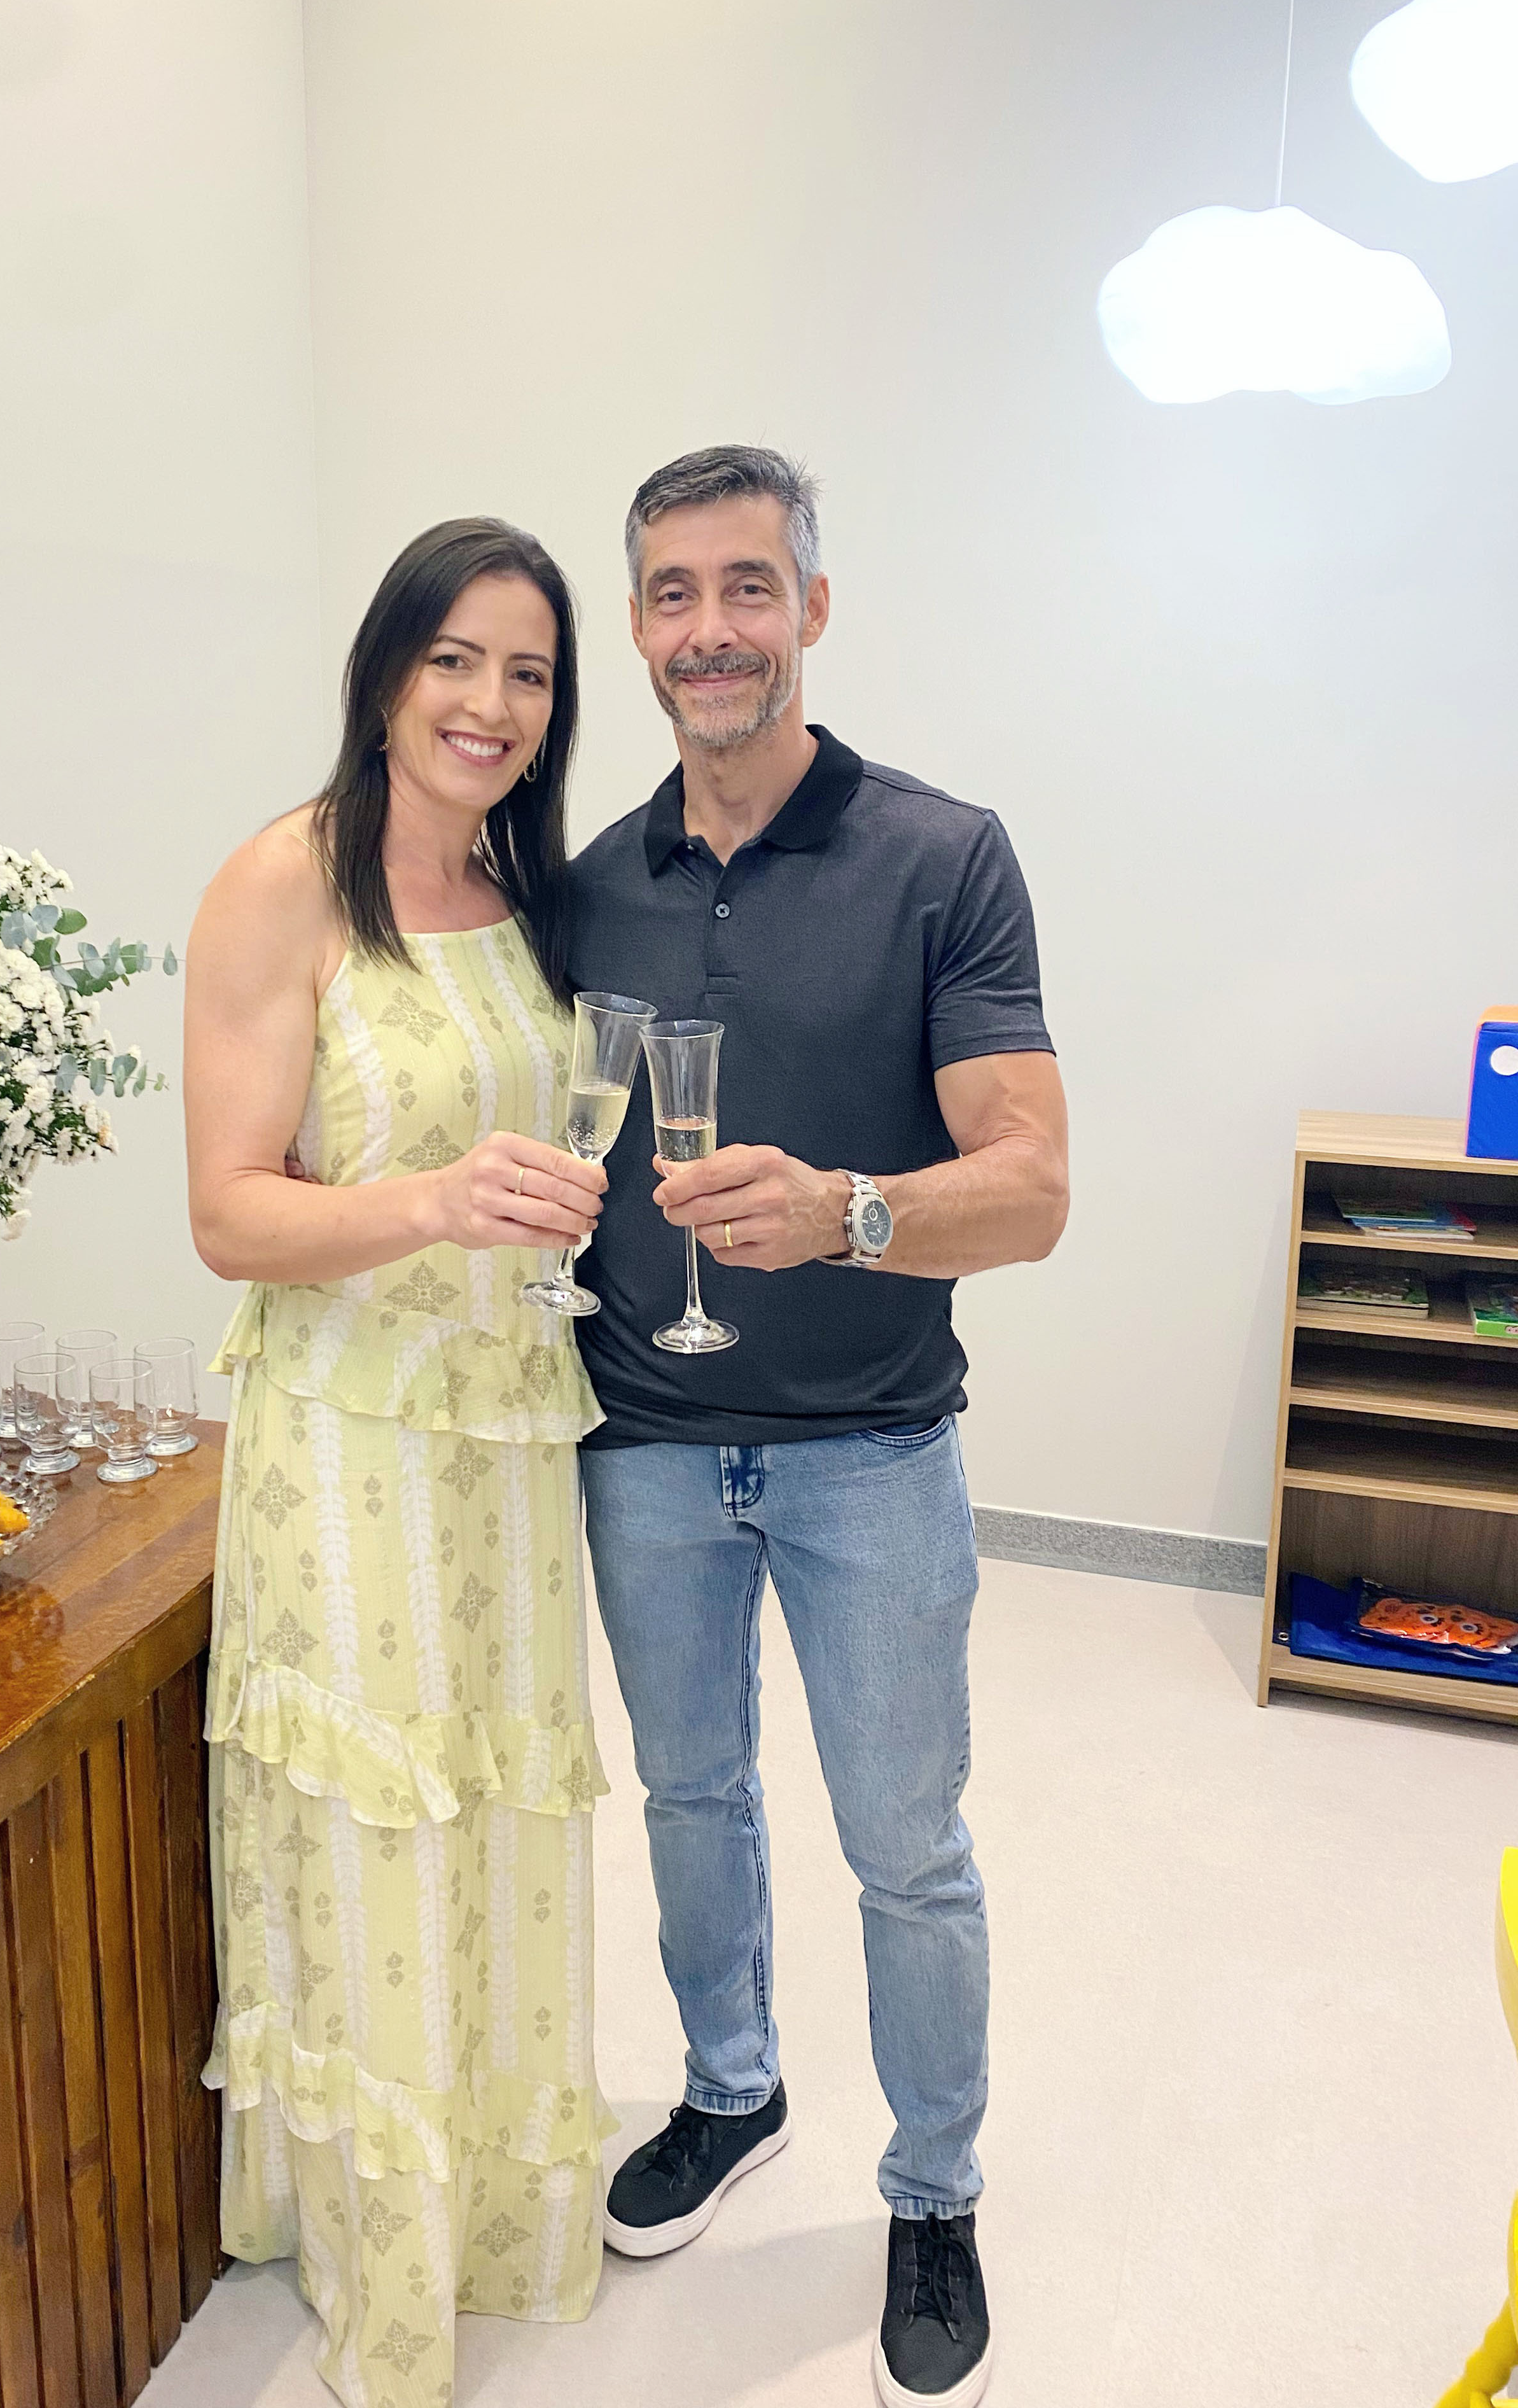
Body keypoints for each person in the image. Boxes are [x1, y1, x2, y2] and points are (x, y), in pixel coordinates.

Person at [568, 445, 1069, 2408]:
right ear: (639, 627)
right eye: (673, 593)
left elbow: (1032, 1188)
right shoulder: (590, 881)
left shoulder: (944, 855)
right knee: (688, 1798)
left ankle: (934, 2191)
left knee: (906, 1847)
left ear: (813, 609)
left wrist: (855, 1211)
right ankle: (732, 2086)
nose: (711, 629)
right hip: (644, 1446)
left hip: (873, 1450)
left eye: (747, 587)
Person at [185, 517, 616, 2405]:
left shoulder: (521, 885)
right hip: (352, 1440)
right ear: (382, 675)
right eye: (455, 659)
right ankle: (379, 2253)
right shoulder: (283, 882)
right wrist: (433, 1201)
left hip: (507, 1437)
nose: (490, 704)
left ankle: (495, 2208)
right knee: (375, 1834)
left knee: (497, 1814)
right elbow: (229, 1213)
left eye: (529, 674)